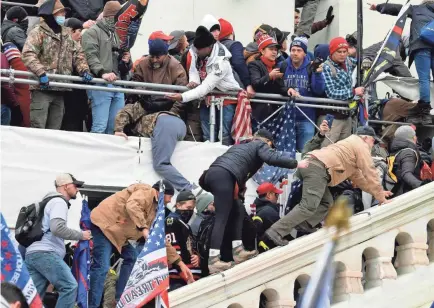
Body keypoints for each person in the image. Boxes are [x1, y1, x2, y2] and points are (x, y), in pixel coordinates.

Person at [265, 126, 393, 246]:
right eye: (372, 141)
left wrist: (378, 193)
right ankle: (276, 231)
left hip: (317, 168)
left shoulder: (350, 149)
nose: (373, 145)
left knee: (327, 202)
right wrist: (381, 198)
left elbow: (360, 180)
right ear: (365, 138)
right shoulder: (360, 144)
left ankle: (305, 223)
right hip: (317, 168)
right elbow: (370, 171)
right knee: (308, 205)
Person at [200, 129, 306, 273]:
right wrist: (296, 164)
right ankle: (213, 261)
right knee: (222, 218)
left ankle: (238, 251)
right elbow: (271, 158)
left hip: (215, 175)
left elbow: (215, 176)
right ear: (267, 142)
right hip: (224, 176)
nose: (270, 149)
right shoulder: (259, 145)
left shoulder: (239, 147)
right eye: (271, 146)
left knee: (237, 209)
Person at [88, 181, 175, 308]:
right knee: (102, 267)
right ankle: (92, 305)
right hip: (104, 227)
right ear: (161, 193)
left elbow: (158, 238)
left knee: (132, 258)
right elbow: (132, 205)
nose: (170, 201)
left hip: (117, 233)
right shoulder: (146, 192)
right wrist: (143, 228)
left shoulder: (154, 208)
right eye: (170, 197)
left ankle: (119, 299)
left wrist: (178, 261)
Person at [22, 0, 92, 130]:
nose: (63, 15)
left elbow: (78, 54)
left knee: (55, 129)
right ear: (51, 14)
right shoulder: (38, 32)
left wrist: (84, 70)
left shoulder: (66, 34)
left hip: (60, 88)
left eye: (64, 13)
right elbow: (28, 54)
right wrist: (41, 72)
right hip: (42, 88)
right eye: (60, 12)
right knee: (38, 126)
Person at [165, 25, 241, 145]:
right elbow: (193, 69)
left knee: (224, 136)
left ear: (208, 47)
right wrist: (194, 80)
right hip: (207, 98)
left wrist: (182, 97)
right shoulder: (197, 51)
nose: (196, 51)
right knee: (207, 134)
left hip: (226, 99)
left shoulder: (221, 63)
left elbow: (205, 87)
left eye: (199, 49)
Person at [25, 173, 90, 308]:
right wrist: (81, 235)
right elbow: (57, 228)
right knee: (70, 287)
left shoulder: (47, 202)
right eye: (75, 186)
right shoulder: (59, 202)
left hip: (33, 254)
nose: (77, 189)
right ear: (66, 186)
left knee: (33, 297)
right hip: (46, 253)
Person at [370, 1, 434, 125]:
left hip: (421, 46)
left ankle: (424, 111)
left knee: (424, 79)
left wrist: (378, 7)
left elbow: (398, 9)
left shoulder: (417, 9)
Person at [81, 1, 125, 134]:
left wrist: (126, 61)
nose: (120, 20)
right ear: (111, 16)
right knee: (100, 126)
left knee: (114, 128)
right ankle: (94, 155)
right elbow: (90, 56)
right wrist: (102, 73)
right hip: (101, 84)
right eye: (119, 17)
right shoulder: (92, 33)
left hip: (118, 83)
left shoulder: (116, 34)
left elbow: (118, 61)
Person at [282, 36, 325, 151]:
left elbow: (319, 90)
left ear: (305, 53)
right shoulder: (283, 65)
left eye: (299, 50)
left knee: (305, 153)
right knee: (285, 154)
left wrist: (318, 75)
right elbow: (278, 86)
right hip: (287, 117)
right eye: (293, 50)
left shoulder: (310, 67)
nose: (295, 53)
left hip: (306, 118)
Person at [248, 34, 298, 126]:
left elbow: (279, 87)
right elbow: (255, 84)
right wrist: (270, 76)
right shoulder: (254, 65)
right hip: (259, 113)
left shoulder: (276, 66)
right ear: (262, 51)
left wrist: (288, 89)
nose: (274, 52)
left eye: (275, 50)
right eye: (271, 49)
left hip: (274, 113)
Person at [321, 37, 363, 147]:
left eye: (345, 51)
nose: (343, 54)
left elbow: (360, 62)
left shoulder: (348, 61)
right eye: (339, 52)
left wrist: (366, 60)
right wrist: (353, 92)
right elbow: (331, 93)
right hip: (332, 116)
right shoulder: (326, 67)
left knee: (344, 150)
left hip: (347, 114)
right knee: (327, 148)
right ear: (332, 52)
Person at [165, 191, 201, 290]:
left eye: (192, 209)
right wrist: (185, 275)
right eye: (188, 208)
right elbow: (173, 251)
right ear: (178, 205)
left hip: (189, 276)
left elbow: (188, 247)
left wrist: (197, 257)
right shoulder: (172, 221)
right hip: (180, 278)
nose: (190, 212)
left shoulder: (184, 224)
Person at [61, 17, 89, 132]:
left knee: (77, 122)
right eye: (79, 31)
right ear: (71, 31)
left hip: (78, 92)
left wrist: (85, 71)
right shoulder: (62, 45)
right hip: (67, 92)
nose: (81, 34)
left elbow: (81, 61)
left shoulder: (79, 46)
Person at [390, 126, 431, 196]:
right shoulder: (408, 152)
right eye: (414, 135)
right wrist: (421, 185)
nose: (416, 137)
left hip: (398, 191)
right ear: (411, 137)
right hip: (407, 192)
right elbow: (406, 174)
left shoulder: (397, 151)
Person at [218, 18, 255, 96]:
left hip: (216, 91)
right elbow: (239, 63)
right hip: (232, 91)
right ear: (231, 33)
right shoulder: (234, 45)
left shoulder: (214, 47)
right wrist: (248, 84)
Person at [1, 52, 19, 126]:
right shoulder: (1, 56)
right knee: (4, 134)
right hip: (2, 103)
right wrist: (14, 103)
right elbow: (4, 82)